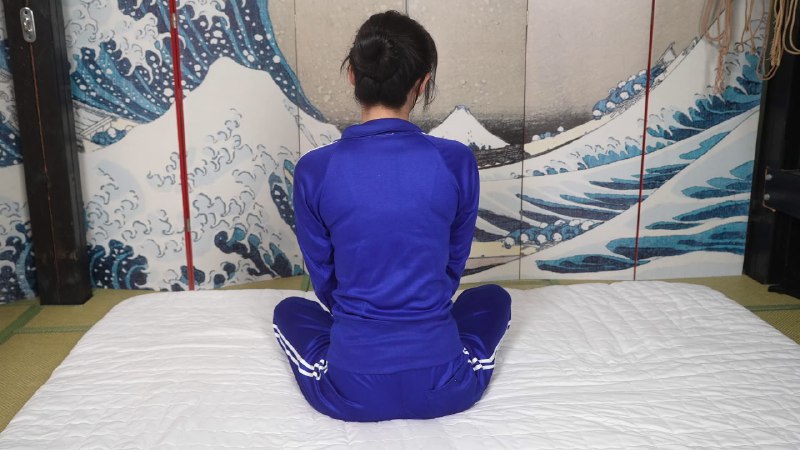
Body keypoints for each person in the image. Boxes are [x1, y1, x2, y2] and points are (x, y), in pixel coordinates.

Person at [272, 10, 511, 422]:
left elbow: (326, 282)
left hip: (350, 390)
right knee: (492, 299)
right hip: (445, 385)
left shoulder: (314, 169)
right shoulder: (456, 161)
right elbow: (451, 268)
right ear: (423, 83)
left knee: (290, 311)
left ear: (352, 75)